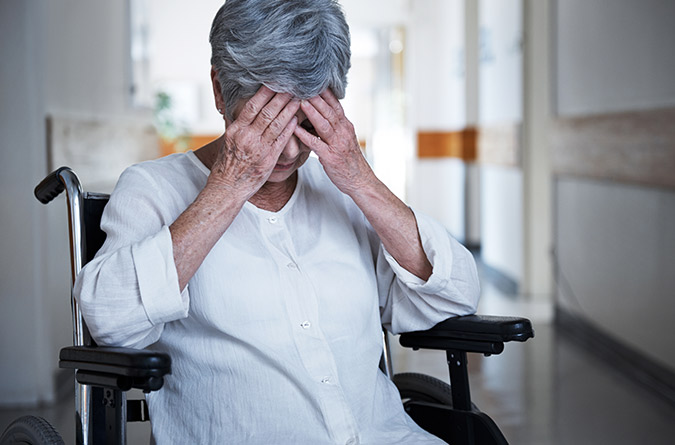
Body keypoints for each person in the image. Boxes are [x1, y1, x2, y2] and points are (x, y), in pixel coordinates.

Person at [74, 0, 480, 443]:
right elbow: (110, 322)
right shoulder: (152, 189)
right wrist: (229, 186)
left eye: (306, 125)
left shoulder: (340, 190)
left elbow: (455, 294)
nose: (288, 153)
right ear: (218, 90)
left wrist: (361, 181)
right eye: (269, 125)